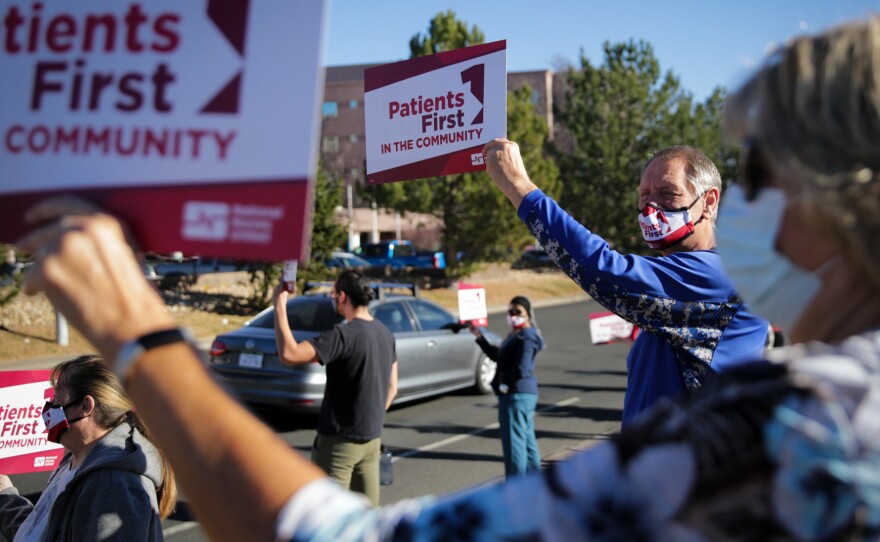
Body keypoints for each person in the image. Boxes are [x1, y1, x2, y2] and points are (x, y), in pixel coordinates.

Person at [13, 16, 880, 540]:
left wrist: (139, 336)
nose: (754, 217)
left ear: (843, 199)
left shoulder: (819, 429)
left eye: (766, 179)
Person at [481, 142, 769, 424]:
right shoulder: (687, 290)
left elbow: (603, 270)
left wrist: (519, 186)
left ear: (708, 202)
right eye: (644, 196)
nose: (651, 207)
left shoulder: (722, 274)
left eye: (668, 193)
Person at [0, 355, 176, 541]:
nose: (49, 407)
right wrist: (5, 497)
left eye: (56, 399)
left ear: (85, 406)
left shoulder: (114, 485)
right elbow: (43, 533)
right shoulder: (76, 461)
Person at [272, 270, 398, 506]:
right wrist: (370, 419)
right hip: (372, 443)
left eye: (332, 293)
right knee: (367, 519)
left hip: (339, 446)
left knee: (328, 517)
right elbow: (392, 388)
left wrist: (279, 306)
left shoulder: (342, 334)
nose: (331, 298)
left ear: (342, 296)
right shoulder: (385, 333)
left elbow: (289, 353)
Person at [468, 295, 543, 478]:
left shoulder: (526, 337)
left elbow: (522, 368)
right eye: (510, 312)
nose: (513, 315)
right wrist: (479, 337)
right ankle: (537, 484)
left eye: (518, 312)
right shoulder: (517, 335)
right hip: (520, 394)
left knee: (514, 445)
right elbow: (498, 356)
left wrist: (503, 382)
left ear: (528, 314)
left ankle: (516, 488)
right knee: (526, 441)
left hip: (516, 395)